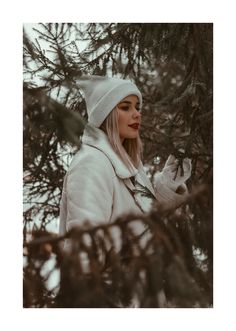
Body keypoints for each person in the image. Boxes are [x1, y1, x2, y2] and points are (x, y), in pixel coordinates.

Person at [59, 75, 191, 242]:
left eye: (137, 107)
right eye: (125, 107)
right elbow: (85, 252)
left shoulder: (128, 162)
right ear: (105, 115)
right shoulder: (91, 165)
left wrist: (168, 186)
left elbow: (147, 224)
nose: (137, 114)